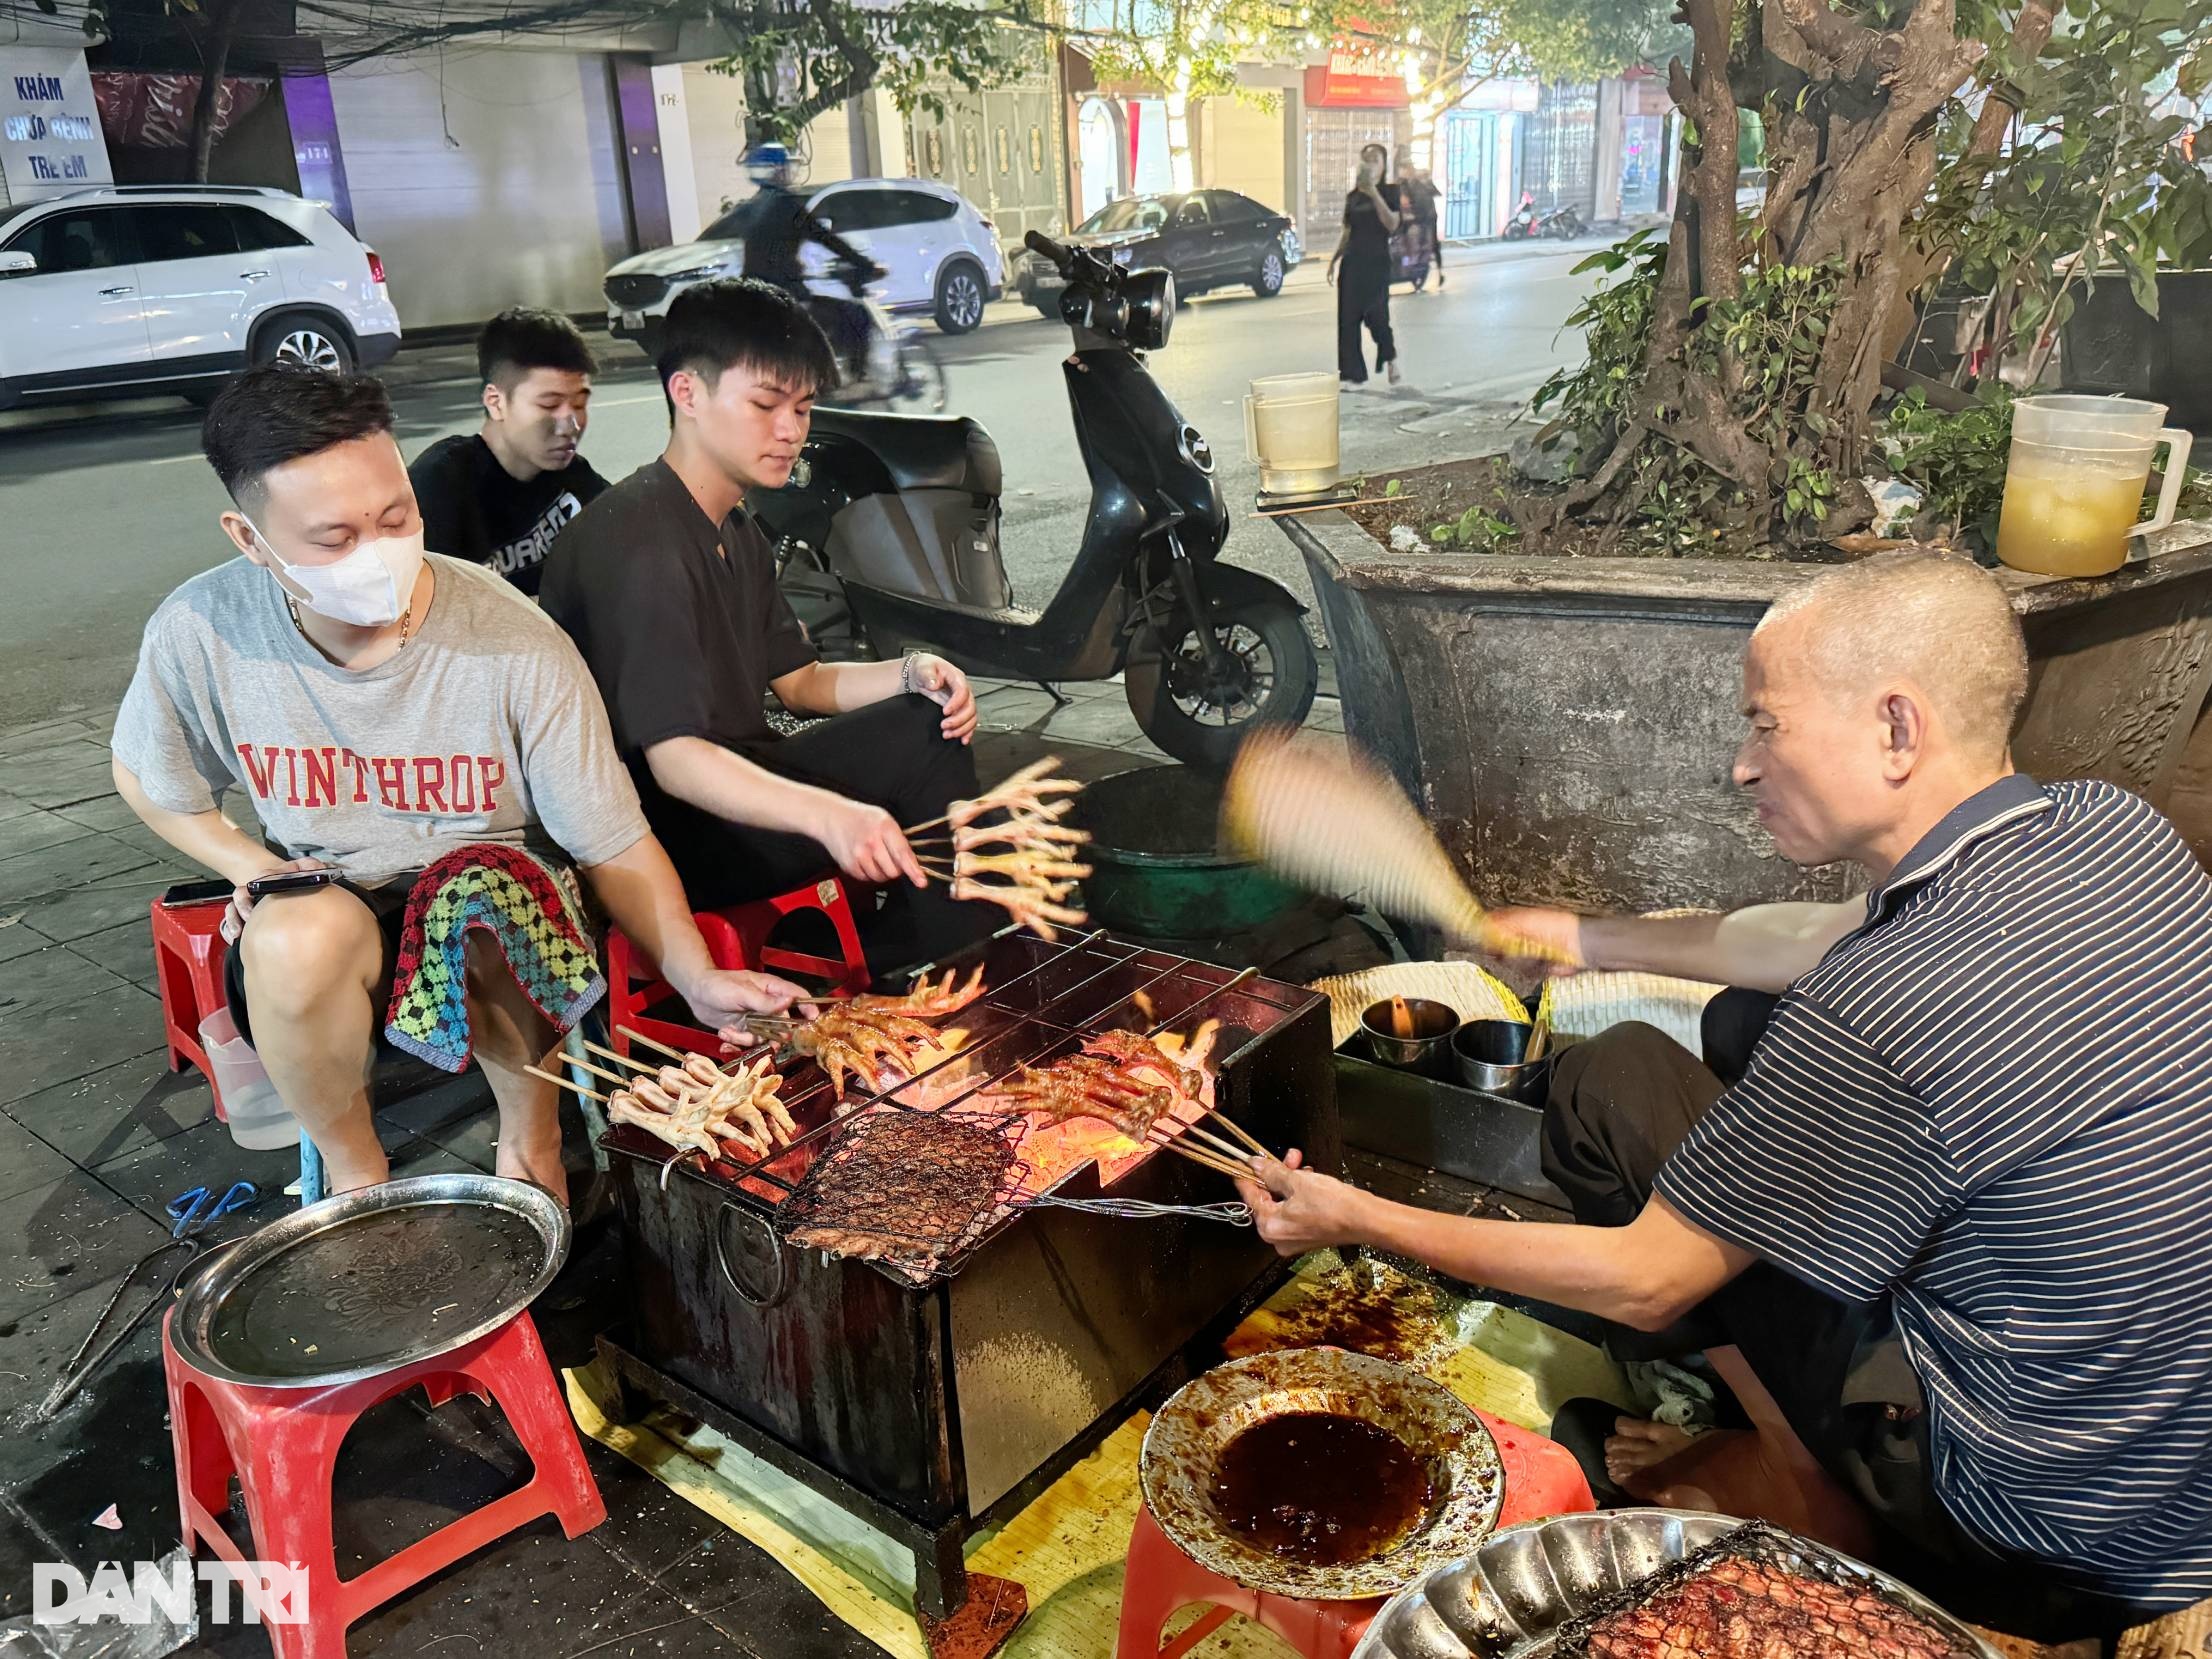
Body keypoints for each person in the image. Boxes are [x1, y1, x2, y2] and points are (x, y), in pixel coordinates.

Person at [1236, 552, 2212, 1642]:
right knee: (1743, 1023)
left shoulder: (1881, 1011)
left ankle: (1808, 1486)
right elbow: (1818, 939)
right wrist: (1586, 938)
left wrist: (1350, 1215)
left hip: (2020, 1531)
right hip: (2171, 1486)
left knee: (1613, 1081)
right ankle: (1808, 1440)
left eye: (1766, 725)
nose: (1742, 768)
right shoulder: (2109, 829)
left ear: (1896, 728)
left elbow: (1647, 1281)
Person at [112, 365, 808, 1201]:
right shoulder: (202, 629)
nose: (375, 551)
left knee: (478, 890)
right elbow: (148, 773)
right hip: (339, 899)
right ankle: (355, 1175)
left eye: (395, 515)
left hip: (509, 906)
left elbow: (610, 836)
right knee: (291, 937)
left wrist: (697, 976)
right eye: (333, 538)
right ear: (249, 538)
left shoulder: (514, 640)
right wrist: (242, 861)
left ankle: (533, 1146)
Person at [540, 278, 996, 979]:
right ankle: (943, 966)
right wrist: (829, 815)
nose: (792, 429)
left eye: (803, 407)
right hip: (669, 837)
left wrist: (913, 670)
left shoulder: (735, 525)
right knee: (918, 748)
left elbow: (800, 681)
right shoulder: (638, 541)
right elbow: (676, 760)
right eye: (765, 405)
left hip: (738, 789)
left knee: (923, 715)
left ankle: (920, 954)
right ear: (687, 394)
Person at [409, 308, 609, 597]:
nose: (571, 425)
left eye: (579, 403)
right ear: (496, 402)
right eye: (549, 405)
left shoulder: (572, 475)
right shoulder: (440, 487)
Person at [718, 143, 878, 378]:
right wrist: (864, 264)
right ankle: (857, 379)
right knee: (857, 316)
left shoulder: (751, 208)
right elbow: (825, 238)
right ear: (776, 170)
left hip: (756, 300)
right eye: (784, 166)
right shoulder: (785, 206)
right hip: (786, 299)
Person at [1329, 142, 1401, 389]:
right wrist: (1335, 258)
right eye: (1366, 159)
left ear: (1383, 165)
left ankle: (1389, 356)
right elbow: (1348, 230)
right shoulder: (1353, 197)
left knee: (1377, 315)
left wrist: (1374, 193)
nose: (1370, 164)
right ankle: (1351, 374)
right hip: (1353, 262)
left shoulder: (1390, 192)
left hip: (1377, 263)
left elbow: (1392, 224)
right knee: (1347, 319)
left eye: (1375, 159)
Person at [1396, 152, 1445, 288]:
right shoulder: (1403, 184)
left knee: (1433, 245)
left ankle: (1439, 273)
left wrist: (1427, 181)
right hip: (1412, 219)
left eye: (1406, 168)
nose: (1404, 171)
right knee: (1402, 242)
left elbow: (1436, 193)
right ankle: (1407, 268)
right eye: (1403, 168)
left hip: (1427, 218)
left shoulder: (1421, 182)